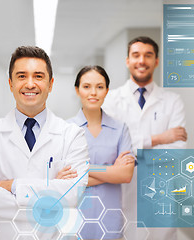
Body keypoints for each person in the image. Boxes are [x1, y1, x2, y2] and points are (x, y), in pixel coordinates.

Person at [0, 46, 89, 239]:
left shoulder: (73, 135)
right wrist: (51, 192)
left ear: (50, 84)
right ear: (10, 83)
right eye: (22, 76)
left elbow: (74, 194)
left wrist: (13, 186)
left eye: (39, 76)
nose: (30, 84)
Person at [103, 36, 187, 240]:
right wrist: (158, 138)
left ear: (156, 61)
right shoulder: (111, 100)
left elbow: (177, 151)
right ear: (128, 61)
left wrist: (130, 154)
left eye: (148, 55)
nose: (142, 60)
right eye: (136, 55)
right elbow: (109, 149)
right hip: (121, 190)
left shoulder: (172, 101)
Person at [67, 66, 135, 240]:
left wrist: (83, 168)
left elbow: (126, 175)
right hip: (74, 221)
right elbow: (65, 179)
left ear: (106, 91)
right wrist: (112, 171)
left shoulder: (120, 129)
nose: (93, 93)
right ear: (77, 90)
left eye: (99, 87)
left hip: (110, 220)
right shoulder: (65, 130)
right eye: (87, 86)